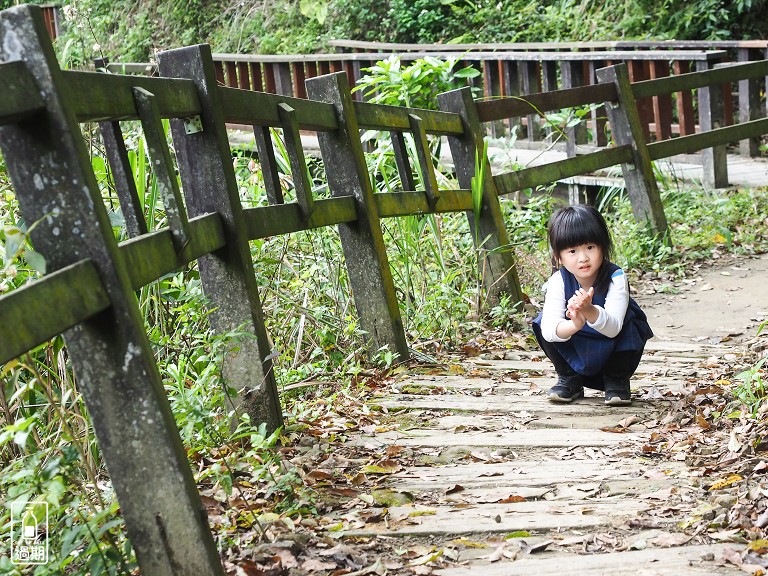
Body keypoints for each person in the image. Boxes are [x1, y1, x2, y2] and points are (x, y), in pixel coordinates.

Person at [531, 204, 653, 406]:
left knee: (632, 322)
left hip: (612, 347)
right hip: (577, 347)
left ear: (603, 247)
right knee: (542, 321)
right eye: (572, 251)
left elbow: (613, 328)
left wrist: (590, 310)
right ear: (558, 256)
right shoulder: (559, 281)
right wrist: (574, 325)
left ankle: (617, 380)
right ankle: (570, 378)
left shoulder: (616, 277)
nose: (583, 258)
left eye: (590, 247)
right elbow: (550, 330)